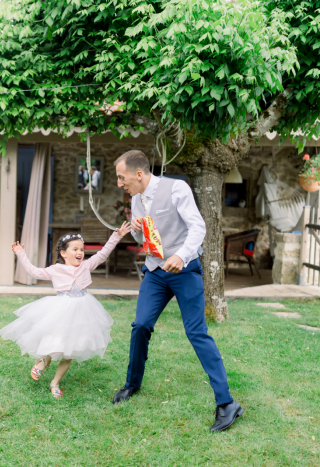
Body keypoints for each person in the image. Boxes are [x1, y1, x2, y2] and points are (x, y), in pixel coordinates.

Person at [112, 150, 243, 432]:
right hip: (156, 272)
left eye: (122, 178)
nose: (120, 184)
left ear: (138, 174)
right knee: (141, 325)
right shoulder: (135, 199)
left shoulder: (176, 188)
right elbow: (143, 239)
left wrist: (182, 256)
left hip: (185, 270)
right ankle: (132, 384)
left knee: (196, 331)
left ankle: (227, 403)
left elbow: (198, 227)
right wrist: (136, 230)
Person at [0, 222, 131, 399]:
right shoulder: (56, 270)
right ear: (63, 253)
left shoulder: (86, 265)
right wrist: (20, 254)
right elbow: (34, 272)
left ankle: (55, 382)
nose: (80, 253)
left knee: (70, 350)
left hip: (83, 309)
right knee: (57, 342)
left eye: (82, 250)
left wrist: (117, 236)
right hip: (62, 310)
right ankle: (45, 360)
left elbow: (103, 253)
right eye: (75, 249)